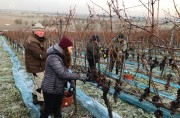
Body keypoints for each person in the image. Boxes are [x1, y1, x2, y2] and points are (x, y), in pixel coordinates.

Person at [40, 36, 87, 118]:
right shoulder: (53, 57)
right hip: (50, 89)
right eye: (70, 49)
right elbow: (62, 73)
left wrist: (71, 82)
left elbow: (65, 72)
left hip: (58, 88)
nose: (71, 51)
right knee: (48, 109)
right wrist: (79, 76)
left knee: (57, 109)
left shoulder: (61, 55)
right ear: (64, 48)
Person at [24, 23, 46, 106]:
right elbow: (41, 55)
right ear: (34, 31)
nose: (41, 32)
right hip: (36, 67)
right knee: (41, 84)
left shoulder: (36, 39)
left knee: (37, 82)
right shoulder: (31, 41)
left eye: (42, 31)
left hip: (37, 66)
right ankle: (42, 103)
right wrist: (50, 53)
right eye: (39, 31)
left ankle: (35, 97)